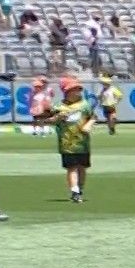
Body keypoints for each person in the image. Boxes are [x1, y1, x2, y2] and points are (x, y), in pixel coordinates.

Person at [34, 75, 96, 203]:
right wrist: (56, 118)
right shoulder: (59, 107)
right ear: (67, 92)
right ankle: (74, 191)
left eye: (78, 89)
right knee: (71, 168)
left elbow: (93, 117)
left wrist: (89, 125)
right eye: (74, 90)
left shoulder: (85, 105)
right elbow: (46, 119)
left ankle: (80, 189)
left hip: (82, 143)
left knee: (82, 167)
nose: (77, 92)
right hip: (67, 144)